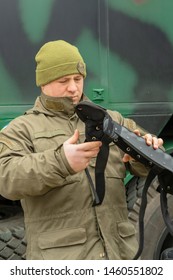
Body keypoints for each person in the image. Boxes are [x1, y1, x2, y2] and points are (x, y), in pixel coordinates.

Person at [0, 40, 163, 260]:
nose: (73, 88)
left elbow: (147, 169)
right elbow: (6, 178)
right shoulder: (22, 129)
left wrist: (147, 154)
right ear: (43, 83)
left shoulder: (112, 120)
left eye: (78, 79)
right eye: (63, 80)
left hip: (119, 257)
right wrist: (61, 162)